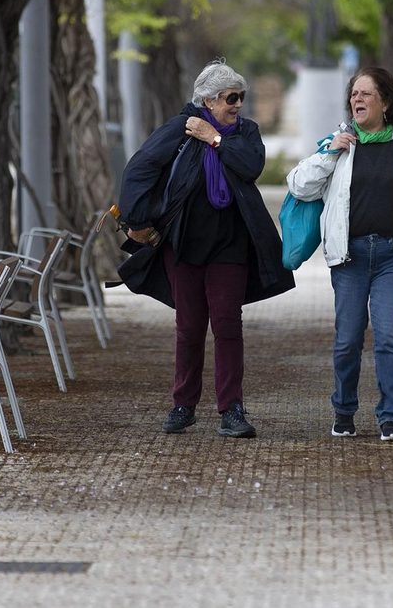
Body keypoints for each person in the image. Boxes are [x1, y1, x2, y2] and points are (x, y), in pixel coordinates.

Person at [115, 61, 294, 438]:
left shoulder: (245, 132)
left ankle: (232, 409)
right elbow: (140, 169)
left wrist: (215, 138)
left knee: (228, 326)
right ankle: (183, 406)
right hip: (183, 247)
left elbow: (251, 166)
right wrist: (138, 221)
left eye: (241, 97)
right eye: (231, 98)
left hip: (230, 247)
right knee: (189, 327)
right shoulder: (179, 130)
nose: (238, 104)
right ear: (208, 99)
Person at [287, 67, 393, 441]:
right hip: (350, 258)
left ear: (386, 102)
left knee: (389, 337)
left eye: (366, 94)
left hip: (390, 258)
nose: (356, 100)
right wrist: (329, 152)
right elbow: (299, 185)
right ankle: (344, 409)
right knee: (348, 339)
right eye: (353, 94)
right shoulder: (340, 141)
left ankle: (390, 416)